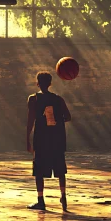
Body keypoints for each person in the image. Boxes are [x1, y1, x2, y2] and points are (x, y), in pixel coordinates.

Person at [26, 71, 72, 211]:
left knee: (39, 170)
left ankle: (41, 200)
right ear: (51, 83)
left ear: (37, 83)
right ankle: (63, 196)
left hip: (41, 138)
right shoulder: (58, 99)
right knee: (60, 169)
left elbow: (30, 120)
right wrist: (56, 120)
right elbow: (68, 117)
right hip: (57, 137)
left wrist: (27, 138)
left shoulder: (33, 99)